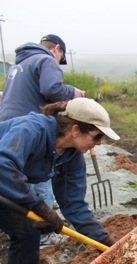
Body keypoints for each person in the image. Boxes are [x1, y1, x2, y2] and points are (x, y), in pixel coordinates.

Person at [0, 98, 118, 264]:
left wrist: (105, 242)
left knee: (28, 231)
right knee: (28, 227)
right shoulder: (31, 130)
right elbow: (4, 167)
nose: (98, 144)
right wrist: (40, 207)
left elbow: (74, 204)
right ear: (75, 130)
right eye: (97, 136)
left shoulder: (71, 156)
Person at [0, 34, 86, 248]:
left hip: (8, 126)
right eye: (61, 58)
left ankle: (23, 228)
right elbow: (52, 90)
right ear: (57, 49)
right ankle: (43, 235)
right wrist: (74, 92)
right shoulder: (46, 60)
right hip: (31, 130)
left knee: (17, 181)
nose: (58, 62)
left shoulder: (19, 65)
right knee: (40, 179)